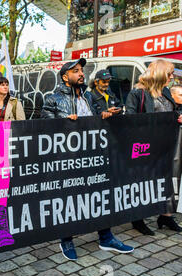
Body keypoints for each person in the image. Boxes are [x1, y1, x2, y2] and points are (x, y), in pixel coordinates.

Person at [41, 58, 134, 260]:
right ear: (65, 77)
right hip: (68, 160)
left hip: (93, 158)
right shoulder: (53, 99)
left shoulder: (88, 98)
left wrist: (105, 115)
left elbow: (95, 119)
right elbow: (44, 128)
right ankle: (66, 239)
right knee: (69, 199)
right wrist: (63, 123)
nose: (81, 73)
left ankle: (106, 237)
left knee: (99, 197)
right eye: (76, 71)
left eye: (82, 70)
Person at [125, 59, 182, 235]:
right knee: (143, 180)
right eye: (169, 73)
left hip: (166, 144)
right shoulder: (137, 93)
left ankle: (165, 215)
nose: (172, 77)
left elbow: (173, 111)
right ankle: (137, 218)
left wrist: (178, 116)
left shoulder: (165, 92)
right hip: (145, 146)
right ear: (159, 73)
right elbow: (130, 119)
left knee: (167, 179)